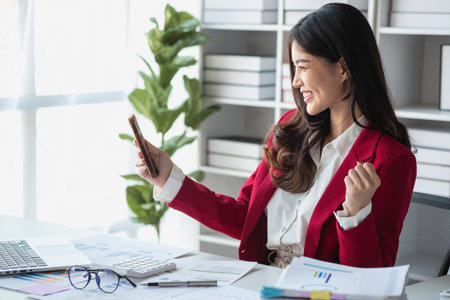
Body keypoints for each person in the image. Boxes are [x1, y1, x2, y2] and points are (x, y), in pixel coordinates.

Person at [134, 3, 416, 268]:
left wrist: (356, 215)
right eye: (294, 69)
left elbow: (372, 280)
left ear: (343, 68)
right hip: (261, 284)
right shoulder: (291, 130)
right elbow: (245, 217)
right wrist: (169, 178)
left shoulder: (390, 160)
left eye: (303, 67)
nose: (295, 81)